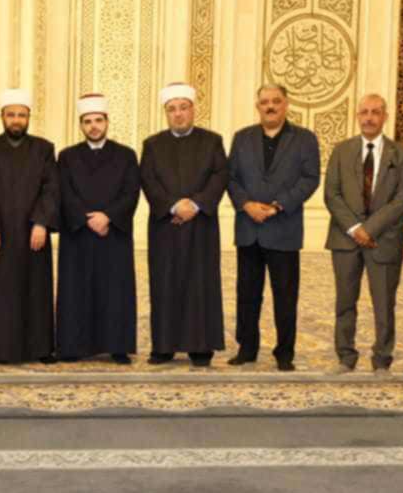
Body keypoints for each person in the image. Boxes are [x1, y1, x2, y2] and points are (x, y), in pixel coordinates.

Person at [226, 83, 321, 371]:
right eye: (265, 102)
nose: (270, 106)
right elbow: (231, 178)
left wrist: (279, 205)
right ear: (258, 106)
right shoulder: (242, 138)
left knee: (285, 296)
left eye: (276, 101)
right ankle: (247, 348)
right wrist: (246, 204)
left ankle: (284, 353)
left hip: (284, 228)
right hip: (249, 228)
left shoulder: (304, 139)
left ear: (286, 104)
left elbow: (310, 178)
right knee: (247, 295)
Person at [323, 93, 403, 374]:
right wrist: (355, 228)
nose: (369, 118)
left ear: (385, 116)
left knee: (384, 304)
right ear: (357, 116)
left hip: (383, 239)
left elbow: (402, 199)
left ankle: (382, 359)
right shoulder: (341, 151)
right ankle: (345, 356)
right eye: (364, 112)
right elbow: (332, 194)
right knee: (344, 301)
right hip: (345, 239)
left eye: (376, 112)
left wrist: (370, 229)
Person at [139, 83, 229, 368]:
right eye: (172, 109)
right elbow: (148, 180)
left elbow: (220, 176)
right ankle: (163, 346)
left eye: (183, 108)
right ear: (166, 113)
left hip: (201, 226)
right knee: (164, 284)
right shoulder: (152, 145)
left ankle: (200, 347)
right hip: (165, 226)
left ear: (193, 109)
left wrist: (196, 205)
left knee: (200, 285)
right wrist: (174, 206)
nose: (178, 114)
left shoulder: (212, 141)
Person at [0, 88, 60, 364]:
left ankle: (39, 348)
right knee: (0, 293)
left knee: (36, 290)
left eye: (21, 115)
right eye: (11, 114)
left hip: (33, 233)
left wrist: (42, 223)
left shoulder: (44, 149)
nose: (16, 120)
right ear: (2, 116)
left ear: (28, 117)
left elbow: (51, 189)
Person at [55, 94, 141, 364]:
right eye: (88, 121)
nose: (93, 126)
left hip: (113, 234)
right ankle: (72, 346)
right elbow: (64, 192)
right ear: (81, 125)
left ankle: (117, 346)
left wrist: (108, 217)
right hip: (78, 234)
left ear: (107, 122)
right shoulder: (67, 156)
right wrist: (87, 219)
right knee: (76, 291)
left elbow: (131, 192)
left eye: (98, 120)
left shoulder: (126, 155)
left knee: (114, 291)